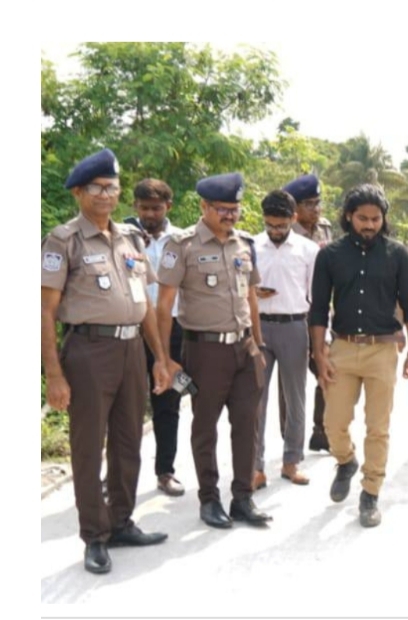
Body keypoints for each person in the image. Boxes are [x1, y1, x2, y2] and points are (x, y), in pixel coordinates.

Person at [41, 148, 173, 574]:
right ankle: (95, 536)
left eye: (111, 187)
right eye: (96, 188)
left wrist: (160, 358)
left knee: (128, 441)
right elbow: (45, 310)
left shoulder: (131, 238)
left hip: (132, 349)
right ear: (79, 193)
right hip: (88, 352)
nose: (105, 194)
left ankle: (120, 522)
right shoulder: (64, 240)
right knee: (88, 446)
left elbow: (145, 303)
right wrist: (54, 374)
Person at [155, 172, 273, 529]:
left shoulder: (244, 244)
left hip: (245, 348)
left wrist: (259, 344)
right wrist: (165, 359)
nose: (230, 215)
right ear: (204, 206)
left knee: (248, 424)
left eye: (235, 209)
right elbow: (164, 305)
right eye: (222, 209)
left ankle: (243, 497)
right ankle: (209, 499)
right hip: (205, 351)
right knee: (205, 427)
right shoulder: (182, 246)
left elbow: (252, 297)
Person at [311, 184, 408, 527]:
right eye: (363, 218)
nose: (370, 225)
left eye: (376, 219)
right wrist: (319, 354)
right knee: (333, 423)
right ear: (349, 216)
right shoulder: (329, 256)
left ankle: (370, 492)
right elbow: (318, 309)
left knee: (378, 427)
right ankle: (346, 461)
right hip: (342, 349)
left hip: (382, 351)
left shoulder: (397, 254)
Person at [252, 190, 320, 489]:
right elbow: (240, 287)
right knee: (256, 399)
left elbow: (316, 296)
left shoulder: (308, 250)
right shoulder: (252, 245)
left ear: (293, 218)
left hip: (294, 326)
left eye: (281, 225)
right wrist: (253, 293)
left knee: (296, 399)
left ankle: (291, 461)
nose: (275, 231)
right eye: (270, 224)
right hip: (259, 326)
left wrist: (320, 340)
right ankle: (255, 466)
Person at [133, 178, 187, 496]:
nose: (150, 214)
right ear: (135, 207)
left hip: (173, 331)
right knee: (125, 406)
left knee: (168, 402)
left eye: (156, 208)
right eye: (144, 208)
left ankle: (165, 471)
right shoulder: (123, 238)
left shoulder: (182, 240)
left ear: (168, 206)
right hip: (131, 329)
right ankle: (117, 474)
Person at [283, 173, 335, 452]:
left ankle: (322, 431)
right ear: (294, 208)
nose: (316, 209)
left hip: (321, 313)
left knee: (329, 372)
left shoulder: (324, 229)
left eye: (318, 202)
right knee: (290, 384)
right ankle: (289, 438)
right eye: (309, 204)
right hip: (292, 314)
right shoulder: (283, 231)